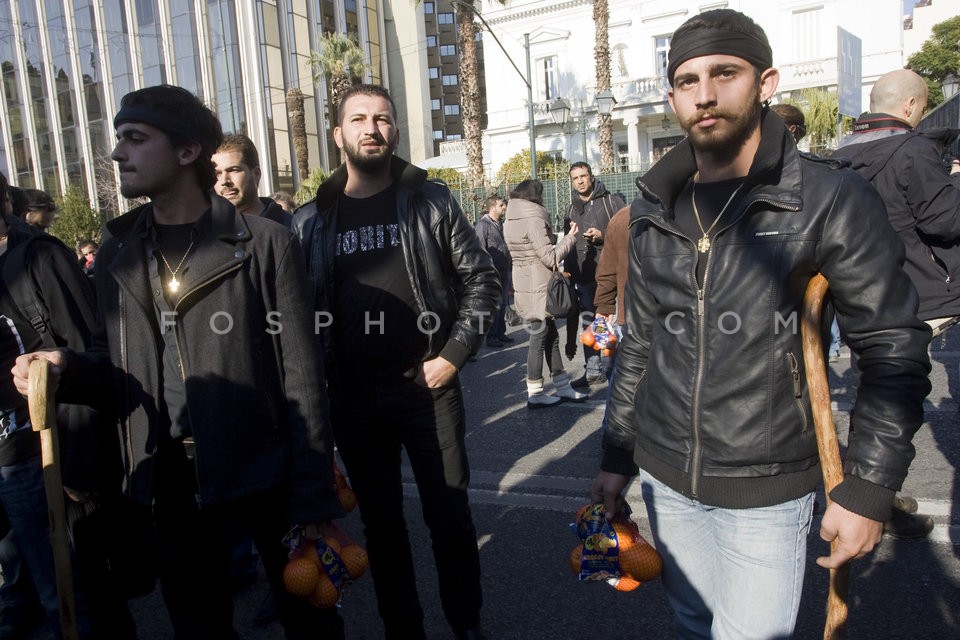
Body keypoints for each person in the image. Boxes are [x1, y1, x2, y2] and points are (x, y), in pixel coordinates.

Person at [590, 10, 932, 639]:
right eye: (687, 80)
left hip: (766, 486)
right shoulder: (652, 207)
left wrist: (868, 488)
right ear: (673, 97)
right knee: (694, 623)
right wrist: (617, 453)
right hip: (664, 474)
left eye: (725, 73)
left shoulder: (829, 198)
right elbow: (639, 342)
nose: (705, 94)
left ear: (765, 82)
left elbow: (892, 347)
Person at [12, 84, 345, 640]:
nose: (118, 153)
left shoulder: (266, 243)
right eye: (119, 138)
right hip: (168, 477)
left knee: (309, 616)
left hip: (264, 468)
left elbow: (302, 376)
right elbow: (113, 360)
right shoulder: (117, 250)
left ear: (188, 151)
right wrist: (66, 367)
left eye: (135, 138)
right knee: (197, 625)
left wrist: (313, 495)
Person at [293, 83, 498, 640]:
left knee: (450, 519)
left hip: (429, 388)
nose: (371, 129)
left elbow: (483, 282)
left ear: (396, 132)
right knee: (382, 529)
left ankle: (466, 625)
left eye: (382, 119)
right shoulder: (310, 221)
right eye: (358, 119)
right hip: (354, 399)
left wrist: (452, 356)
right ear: (337, 135)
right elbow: (299, 313)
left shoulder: (431, 201)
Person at [834, 68, 960, 539]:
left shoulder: (838, 156)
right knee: (896, 397)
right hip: (919, 294)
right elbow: (946, 221)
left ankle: (871, 494)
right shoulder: (913, 149)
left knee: (876, 391)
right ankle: (872, 499)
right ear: (910, 106)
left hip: (857, 293)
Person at [503, 179, 587, 408]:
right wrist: (570, 238)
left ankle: (562, 386)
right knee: (539, 337)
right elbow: (550, 257)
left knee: (551, 336)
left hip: (525, 282)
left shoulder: (511, 219)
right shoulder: (534, 218)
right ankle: (536, 392)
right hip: (539, 284)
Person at [563, 162, 625, 387]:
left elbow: (626, 232)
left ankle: (614, 371)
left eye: (583, 176)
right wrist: (568, 274)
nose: (580, 181)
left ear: (591, 176)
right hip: (584, 277)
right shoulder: (571, 209)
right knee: (590, 323)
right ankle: (593, 370)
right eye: (575, 178)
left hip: (612, 274)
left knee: (612, 324)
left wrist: (603, 235)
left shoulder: (612, 202)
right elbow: (568, 243)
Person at [212, 133, 292, 228]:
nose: (224, 181)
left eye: (233, 170)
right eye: (218, 173)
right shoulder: (206, 229)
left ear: (256, 174)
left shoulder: (290, 226)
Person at [476, 195, 513, 348]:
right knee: (494, 305)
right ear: (492, 208)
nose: (504, 207)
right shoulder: (483, 225)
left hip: (504, 269)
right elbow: (479, 248)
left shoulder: (501, 224)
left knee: (503, 303)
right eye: (501, 205)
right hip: (492, 271)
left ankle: (500, 332)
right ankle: (491, 337)